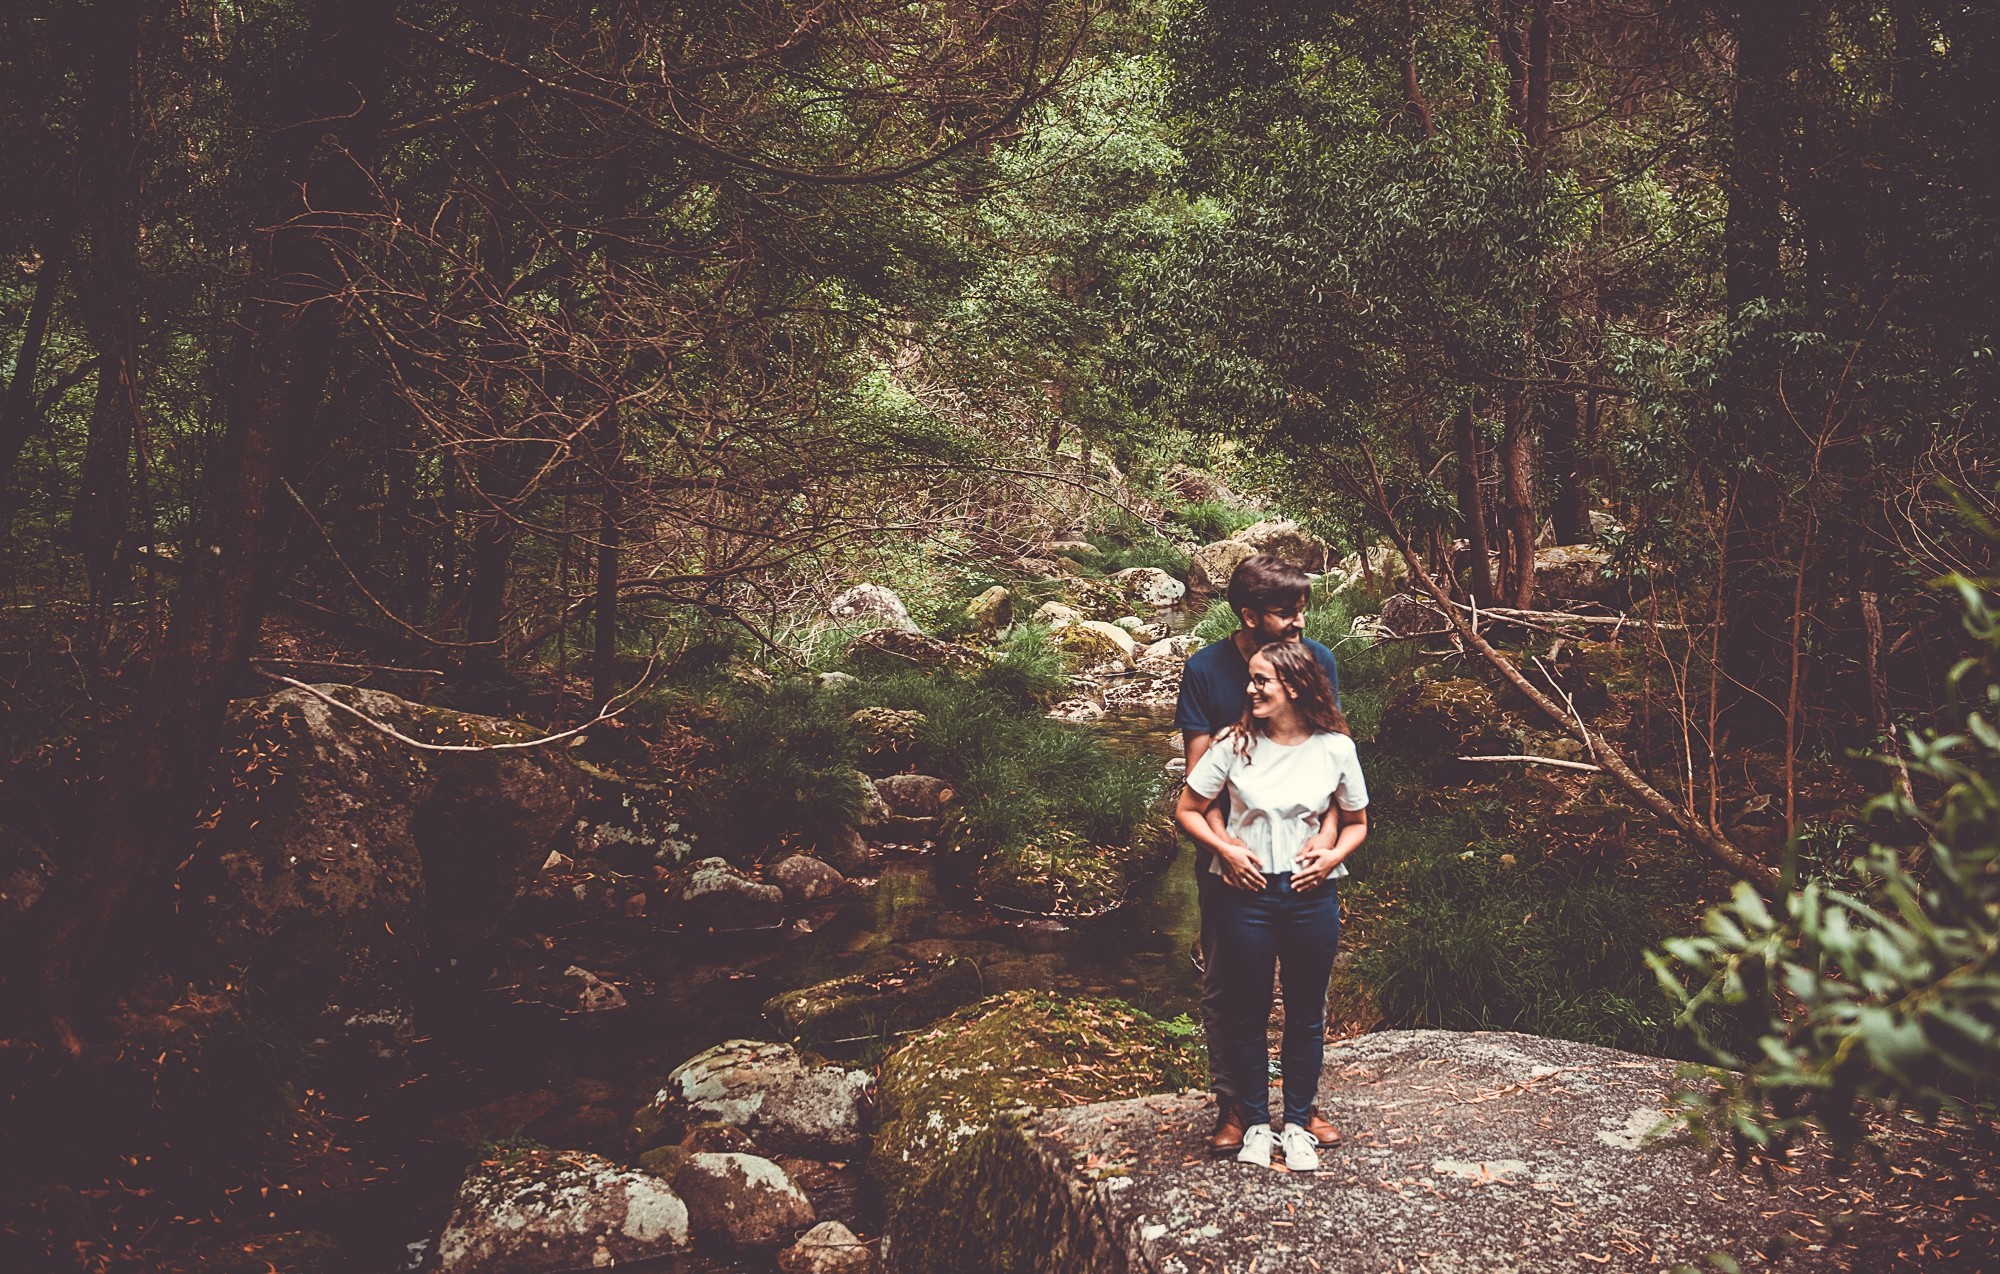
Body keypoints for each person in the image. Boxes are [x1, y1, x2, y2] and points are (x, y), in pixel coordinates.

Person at [1175, 640, 1368, 1170]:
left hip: (1310, 896)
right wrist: (1225, 849)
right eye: (1250, 679)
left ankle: (1299, 1124)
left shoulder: (1335, 749)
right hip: (1246, 895)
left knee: (1306, 1014)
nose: (1249, 688)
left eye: (1262, 681)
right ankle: (1257, 1123)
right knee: (1246, 1012)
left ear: (1296, 687)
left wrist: (1330, 858)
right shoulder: (1233, 743)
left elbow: (1357, 822)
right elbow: (1188, 808)